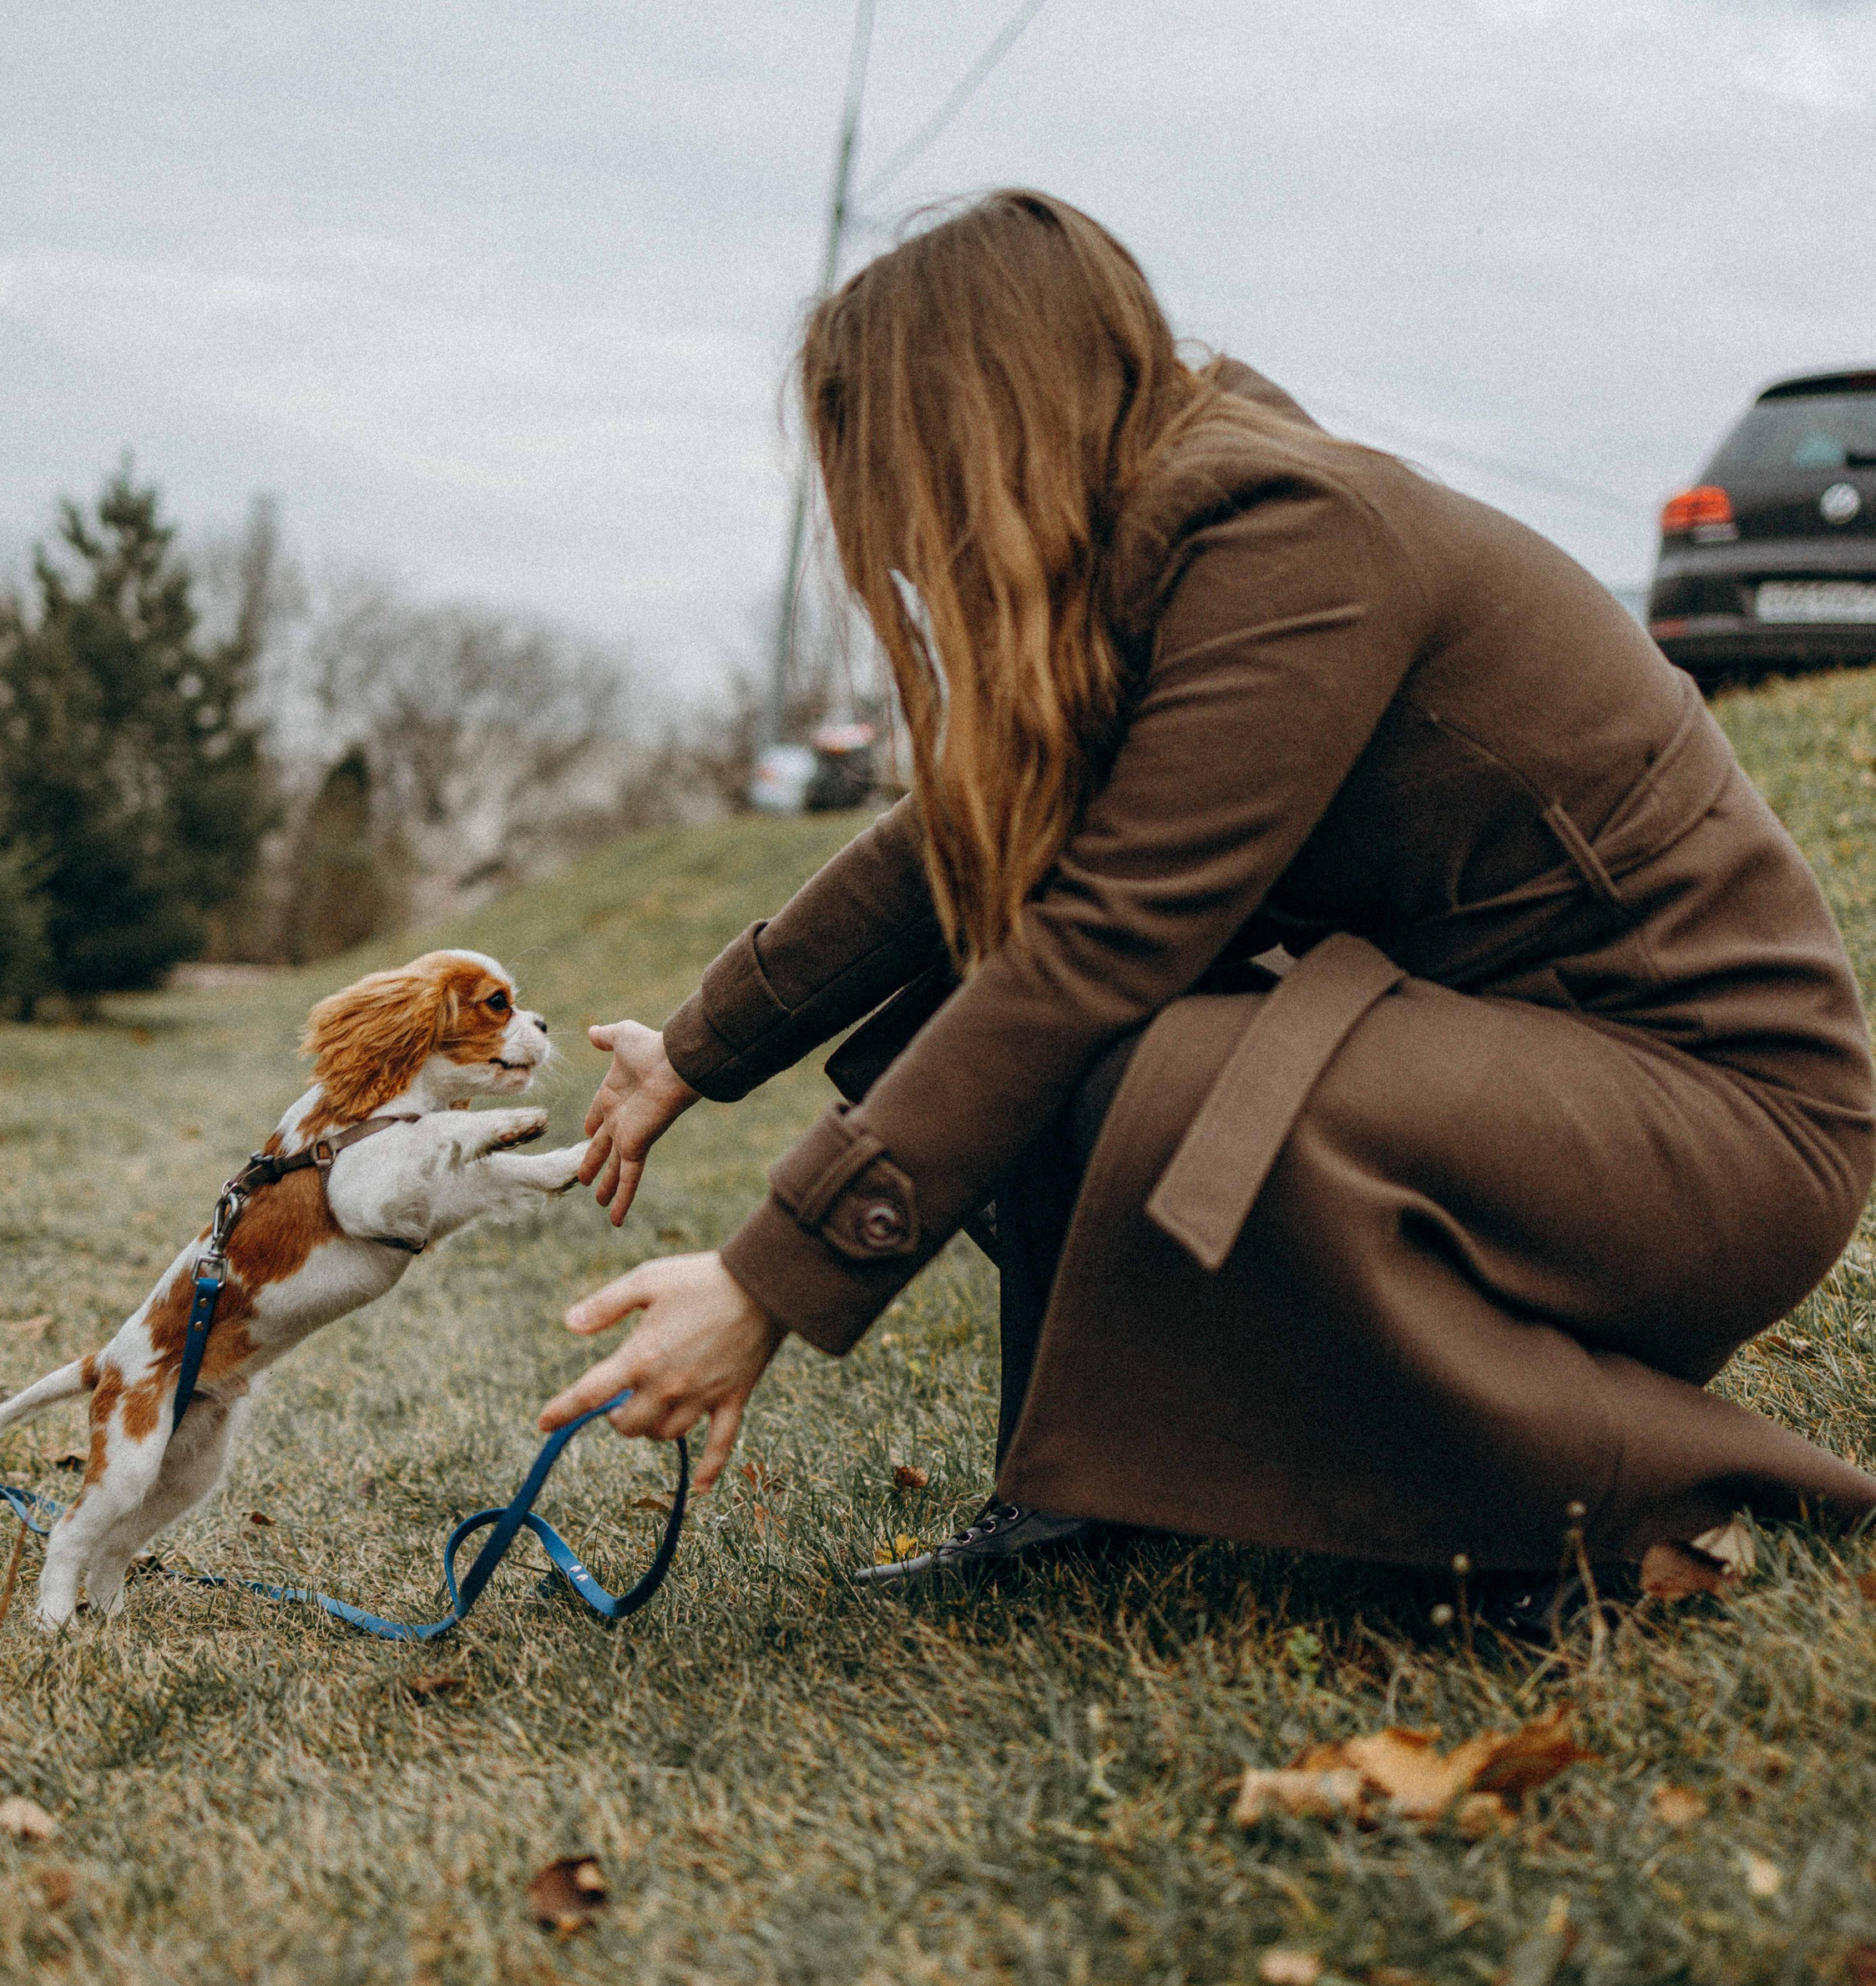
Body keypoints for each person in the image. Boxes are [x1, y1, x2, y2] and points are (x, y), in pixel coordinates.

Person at [539, 190, 1876, 1613]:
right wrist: (698, 1047)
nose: (906, 537)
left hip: (1719, 1123)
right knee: (1053, 1029)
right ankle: (1086, 1500)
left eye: (903, 475)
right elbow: (953, 832)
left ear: (990, 424)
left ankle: (1640, 1499)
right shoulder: (1158, 548)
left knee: (1172, 1066)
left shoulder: (1291, 536)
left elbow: (1109, 938)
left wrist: (765, 1283)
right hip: (1520, 1080)